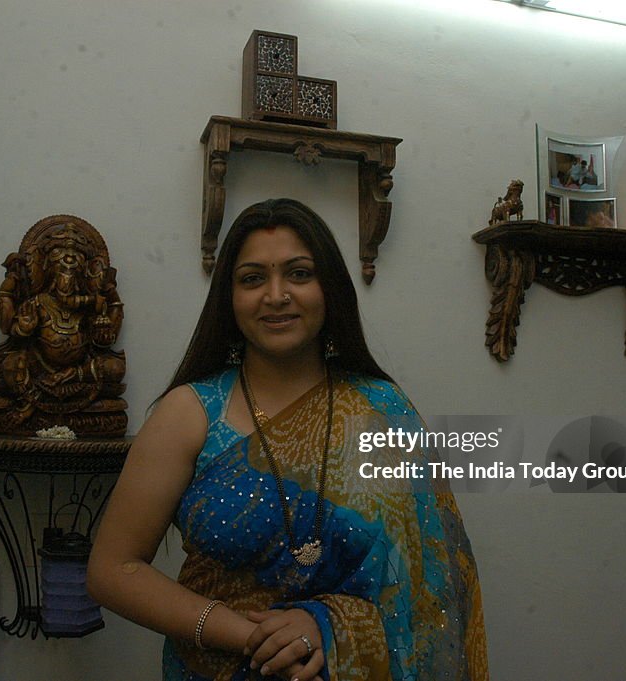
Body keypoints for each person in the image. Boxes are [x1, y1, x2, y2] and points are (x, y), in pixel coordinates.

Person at [87, 199, 488, 681]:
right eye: (253, 278)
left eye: (299, 274)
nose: (276, 295)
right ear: (229, 298)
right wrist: (254, 636)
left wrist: (327, 628)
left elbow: (431, 583)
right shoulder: (190, 414)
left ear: (331, 289)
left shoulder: (385, 411)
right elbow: (113, 570)